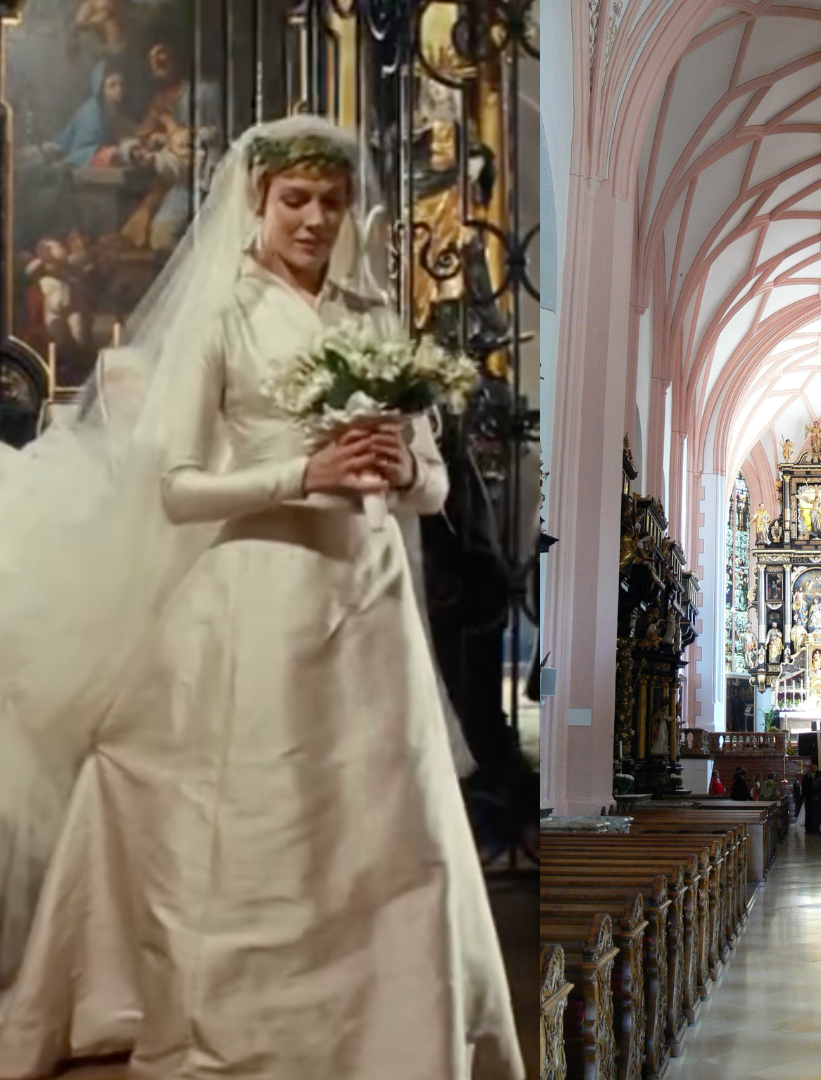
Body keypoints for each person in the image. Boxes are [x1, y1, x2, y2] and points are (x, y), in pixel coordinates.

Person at [0, 117, 524, 1080]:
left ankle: (396, 1021)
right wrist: (299, 471)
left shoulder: (371, 320)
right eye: (296, 202)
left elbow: (438, 486)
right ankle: (249, 1019)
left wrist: (403, 464)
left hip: (367, 598)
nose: (316, 219)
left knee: (383, 823)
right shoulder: (223, 322)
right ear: (258, 204)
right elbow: (178, 486)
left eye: (330, 201)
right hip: (258, 593)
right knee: (266, 812)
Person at [808, 769, 821, 835]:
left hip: (817, 800)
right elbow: (817, 790)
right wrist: (816, 796)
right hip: (817, 801)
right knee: (817, 815)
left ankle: (815, 829)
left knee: (816, 815)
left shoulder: (817, 781)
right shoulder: (820, 782)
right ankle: (816, 829)